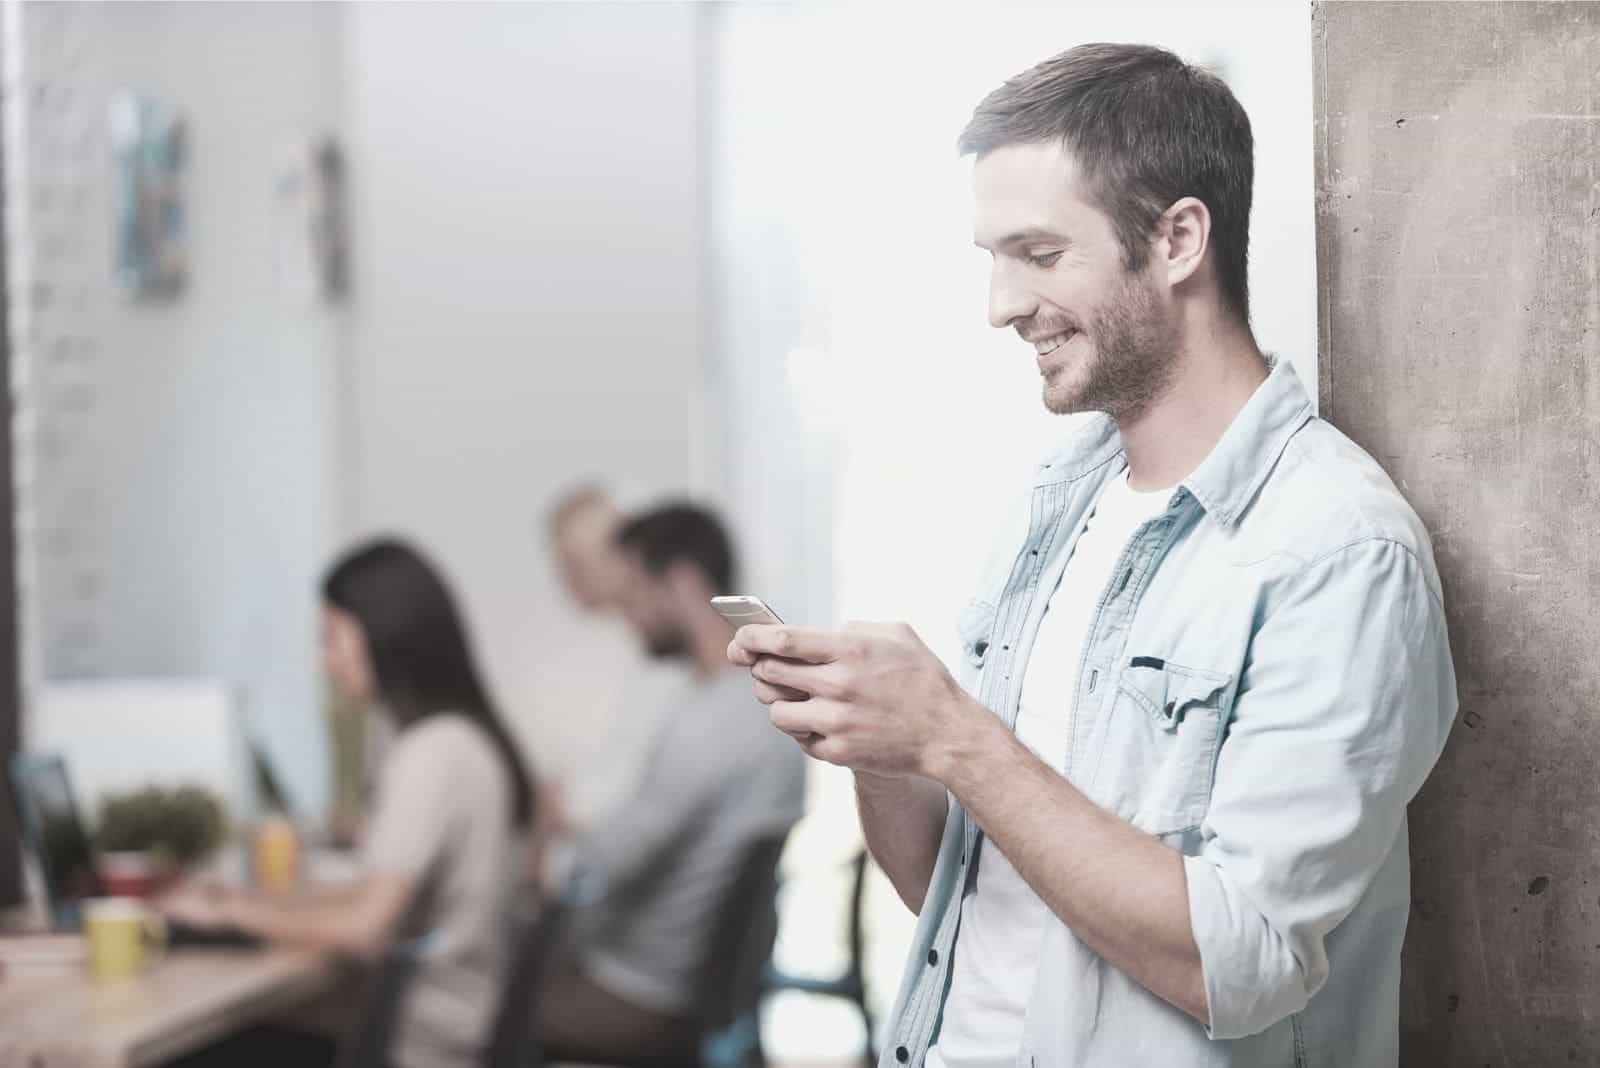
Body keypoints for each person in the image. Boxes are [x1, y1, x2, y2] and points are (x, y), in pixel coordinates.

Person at [730, 43, 1457, 1068]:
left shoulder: (1338, 551)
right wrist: (883, 749)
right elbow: (960, 896)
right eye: (991, 258)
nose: (999, 304)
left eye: (1035, 252)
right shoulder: (1052, 507)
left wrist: (951, 734)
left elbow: (1236, 963)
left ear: (1175, 239)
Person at [162, 538, 535, 1068]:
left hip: (419, 1047)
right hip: (451, 1029)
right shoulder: (467, 740)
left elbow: (366, 928)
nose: (325, 663)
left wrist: (228, 919)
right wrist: (246, 904)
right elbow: (371, 895)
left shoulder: (431, 755)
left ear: (385, 633)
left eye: (332, 639)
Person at [536, 502, 807, 1064]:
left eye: (636, 591)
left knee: (461, 1002)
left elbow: (607, 863)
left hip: (637, 993)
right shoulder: (760, 701)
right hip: (690, 988)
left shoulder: (715, 718)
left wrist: (545, 836)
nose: (628, 612)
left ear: (682, 585)